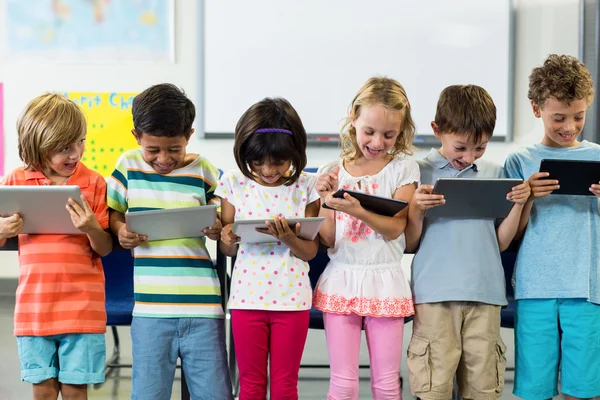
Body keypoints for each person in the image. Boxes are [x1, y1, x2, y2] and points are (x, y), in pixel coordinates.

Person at [106, 83, 232, 400]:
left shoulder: (203, 170)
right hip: (150, 308)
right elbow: (113, 214)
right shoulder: (127, 167)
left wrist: (218, 226)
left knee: (214, 393)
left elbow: (220, 215)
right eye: (153, 150)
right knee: (149, 393)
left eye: (174, 150)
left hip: (203, 305)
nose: (164, 159)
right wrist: (121, 230)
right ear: (137, 137)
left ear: (188, 136)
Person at [404, 84, 530, 400]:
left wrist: (517, 205)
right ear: (437, 130)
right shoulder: (416, 171)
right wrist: (416, 208)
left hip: (485, 293)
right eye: (460, 148)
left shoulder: (496, 172)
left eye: (480, 148)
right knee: (433, 387)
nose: (469, 157)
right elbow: (408, 243)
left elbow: (501, 243)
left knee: (483, 387)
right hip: (434, 294)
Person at [0, 93, 113, 400]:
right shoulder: (15, 180)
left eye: (80, 142)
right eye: (64, 147)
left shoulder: (94, 183)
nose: (75, 153)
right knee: (44, 391)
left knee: (76, 392)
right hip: (34, 308)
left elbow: (104, 248)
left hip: (83, 308)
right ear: (37, 144)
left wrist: (90, 228)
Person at [313, 76, 419, 400]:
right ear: (353, 120)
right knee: (342, 384)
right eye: (369, 131)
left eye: (389, 134)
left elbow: (395, 228)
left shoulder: (403, 169)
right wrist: (326, 201)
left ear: (401, 131)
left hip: (385, 277)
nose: (377, 141)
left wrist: (357, 210)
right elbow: (330, 239)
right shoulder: (334, 170)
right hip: (342, 277)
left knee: (386, 384)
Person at [504, 54, 600, 400]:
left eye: (578, 116)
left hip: (587, 287)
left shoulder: (597, 156)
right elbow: (511, 234)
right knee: (535, 388)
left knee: (583, 387)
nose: (569, 127)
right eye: (558, 118)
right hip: (535, 286)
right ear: (536, 109)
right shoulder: (519, 160)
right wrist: (527, 197)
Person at [217, 97, 320, 400]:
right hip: (247, 298)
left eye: (278, 162)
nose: (268, 170)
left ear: (295, 153)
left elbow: (310, 252)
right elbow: (228, 250)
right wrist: (226, 237)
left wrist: (288, 237)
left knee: (285, 386)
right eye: (258, 162)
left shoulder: (307, 186)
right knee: (250, 385)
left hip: (292, 299)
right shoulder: (234, 184)